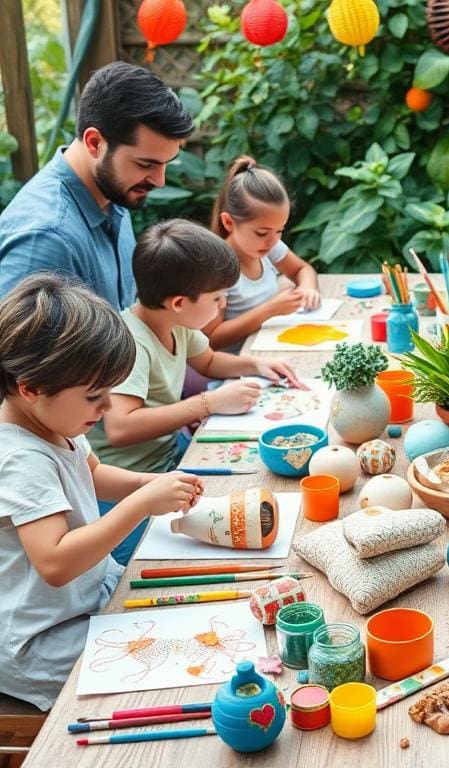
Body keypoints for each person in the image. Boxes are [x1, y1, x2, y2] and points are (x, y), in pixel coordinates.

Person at [0, 274, 203, 710]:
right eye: (95, 396)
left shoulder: (54, 422)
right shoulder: (20, 458)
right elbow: (54, 562)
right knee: (171, 673)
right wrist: (139, 505)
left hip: (87, 596)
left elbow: (93, 472)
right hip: (44, 640)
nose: (108, 406)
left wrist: (149, 484)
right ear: (30, 388)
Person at [88, 218, 304, 479]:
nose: (223, 304)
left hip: (170, 452)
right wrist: (207, 403)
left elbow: (209, 362)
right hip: (131, 476)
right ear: (179, 302)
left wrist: (255, 364)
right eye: (216, 297)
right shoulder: (130, 344)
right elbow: (120, 428)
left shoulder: (176, 321)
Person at [0, 62, 193, 309]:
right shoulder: (47, 237)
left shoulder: (112, 190)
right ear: (94, 143)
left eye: (166, 164)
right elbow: (17, 346)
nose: (160, 180)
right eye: (146, 164)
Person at [204, 157, 321, 352]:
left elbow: (302, 269)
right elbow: (211, 340)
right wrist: (270, 310)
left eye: (280, 230)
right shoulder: (218, 269)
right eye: (262, 233)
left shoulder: (269, 246)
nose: (273, 240)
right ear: (229, 223)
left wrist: (308, 288)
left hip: (270, 352)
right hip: (235, 371)